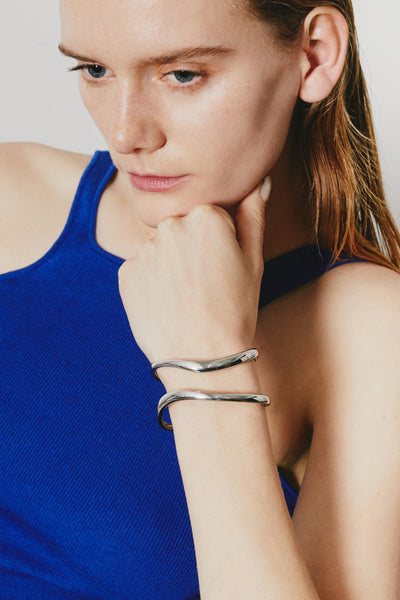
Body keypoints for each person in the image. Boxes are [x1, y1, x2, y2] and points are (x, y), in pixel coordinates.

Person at [1, 0, 399, 598]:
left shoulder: (366, 330)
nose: (125, 134)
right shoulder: (12, 191)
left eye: (183, 74)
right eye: (95, 70)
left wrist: (208, 363)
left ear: (315, 55)